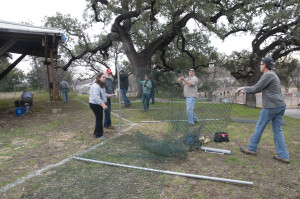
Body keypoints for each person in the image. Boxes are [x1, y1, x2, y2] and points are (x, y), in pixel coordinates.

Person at [236, 57, 289, 164]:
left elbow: (257, 88)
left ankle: (251, 148)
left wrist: (243, 89)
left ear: (264, 65)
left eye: (260, 64)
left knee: (259, 127)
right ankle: (284, 156)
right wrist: (245, 88)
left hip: (271, 107)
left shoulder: (268, 75)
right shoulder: (273, 74)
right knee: (277, 130)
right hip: (280, 106)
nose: (260, 66)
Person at [89, 73, 113, 139]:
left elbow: (103, 93)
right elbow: (96, 97)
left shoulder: (101, 85)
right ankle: (99, 135)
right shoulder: (96, 86)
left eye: (104, 77)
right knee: (99, 119)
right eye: (103, 77)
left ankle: (96, 132)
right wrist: (103, 104)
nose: (104, 78)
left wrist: (109, 95)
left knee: (98, 119)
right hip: (95, 104)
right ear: (99, 78)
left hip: (98, 104)